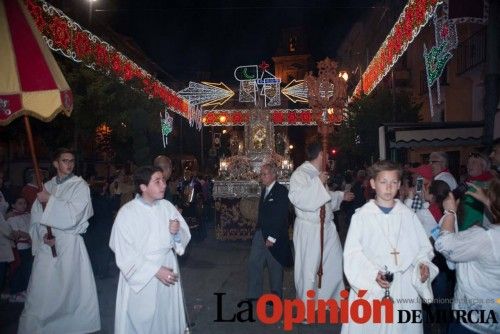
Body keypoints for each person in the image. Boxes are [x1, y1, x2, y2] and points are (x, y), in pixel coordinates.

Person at [342, 160, 437, 334]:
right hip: (374, 285)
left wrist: (422, 265)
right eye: (383, 182)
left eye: (393, 182)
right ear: (373, 183)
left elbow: (421, 249)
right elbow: (352, 254)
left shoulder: (408, 216)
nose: (388, 187)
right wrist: (372, 274)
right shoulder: (362, 217)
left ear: (400, 185)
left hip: (404, 286)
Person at [18, 148, 100, 333]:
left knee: (69, 290)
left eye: (71, 160)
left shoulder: (80, 186)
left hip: (69, 244)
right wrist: (43, 235)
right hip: (48, 247)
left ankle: (70, 326)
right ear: (56, 163)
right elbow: (36, 217)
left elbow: (76, 215)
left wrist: (51, 200)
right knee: (41, 289)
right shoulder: (45, 186)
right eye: (64, 160)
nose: (69, 164)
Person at [110, 166, 191, 333]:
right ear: (143, 187)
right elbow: (123, 251)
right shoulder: (127, 213)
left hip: (167, 265)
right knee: (141, 319)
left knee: (166, 315)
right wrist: (154, 270)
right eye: (157, 181)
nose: (164, 185)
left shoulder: (167, 206)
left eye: (163, 180)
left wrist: (176, 233)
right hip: (141, 275)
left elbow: (183, 237)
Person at [288, 142, 353, 308]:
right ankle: (307, 306)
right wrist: (318, 183)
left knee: (334, 261)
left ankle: (330, 299)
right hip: (310, 228)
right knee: (310, 268)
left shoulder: (318, 173)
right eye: (326, 155)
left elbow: (324, 198)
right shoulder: (300, 174)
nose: (329, 159)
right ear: (321, 155)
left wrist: (340, 196)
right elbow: (299, 198)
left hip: (327, 226)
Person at [435, 179, 500, 334]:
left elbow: (444, 244)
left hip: (472, 322)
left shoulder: (485, 237)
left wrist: (450, 212)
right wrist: (489, 201)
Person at [247, 163, 293, 301]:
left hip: (274, 235)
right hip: (260, 233)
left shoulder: (281, 191)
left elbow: (281, 216)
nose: (262, 177)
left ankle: (276, 295)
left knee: (274, 265)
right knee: (254, 262)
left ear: (274, 175)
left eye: (264, 174)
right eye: (261, 174)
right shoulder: (264, 189)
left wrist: (272, 237)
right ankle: (254, 294)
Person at [459, 151, 495, 231]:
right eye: (468, 162)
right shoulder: (466, 182)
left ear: (483, 166)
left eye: (474, 162)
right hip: (463, 227)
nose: (469, 165)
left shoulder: (488, 185)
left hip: (476, 230)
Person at [6, 196, 32, 303]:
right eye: (20, 203)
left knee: (27, 269)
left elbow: (32, 230)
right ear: (13, 205)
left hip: (30, 246)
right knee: (19, 269)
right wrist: (28, 235)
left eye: (25, 203)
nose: (23, 205)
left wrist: (27, 235)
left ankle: (24, 289)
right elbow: (16, 234)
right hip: (20, 248)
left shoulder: (29, 215)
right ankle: (15, 292)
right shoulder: (11, 219)